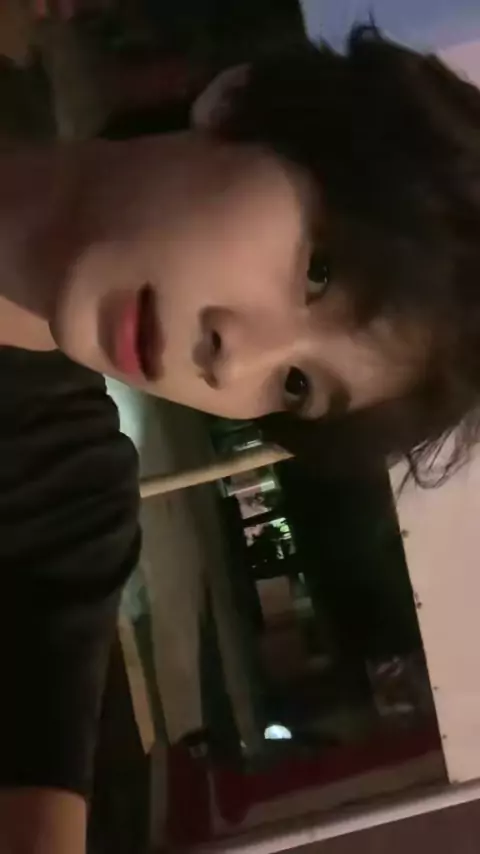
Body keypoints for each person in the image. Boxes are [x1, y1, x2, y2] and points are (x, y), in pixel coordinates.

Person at [3, 23, 480, 850]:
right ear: (240, 99)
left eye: (297, 388)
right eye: (318, 272)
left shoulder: (62, 506)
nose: (235, 362)